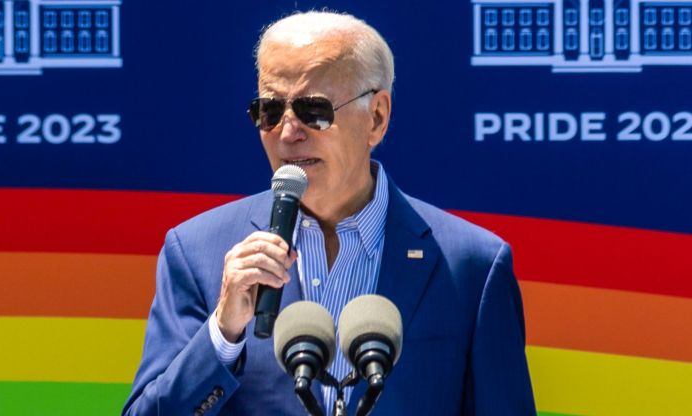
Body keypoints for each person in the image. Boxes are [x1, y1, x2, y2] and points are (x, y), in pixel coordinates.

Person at [123, 11, 535, 416]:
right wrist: (224, 333)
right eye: (269, 110)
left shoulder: (473, 266)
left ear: (376, 117)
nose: (287, 132)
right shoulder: (197, 252)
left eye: (313, 110)